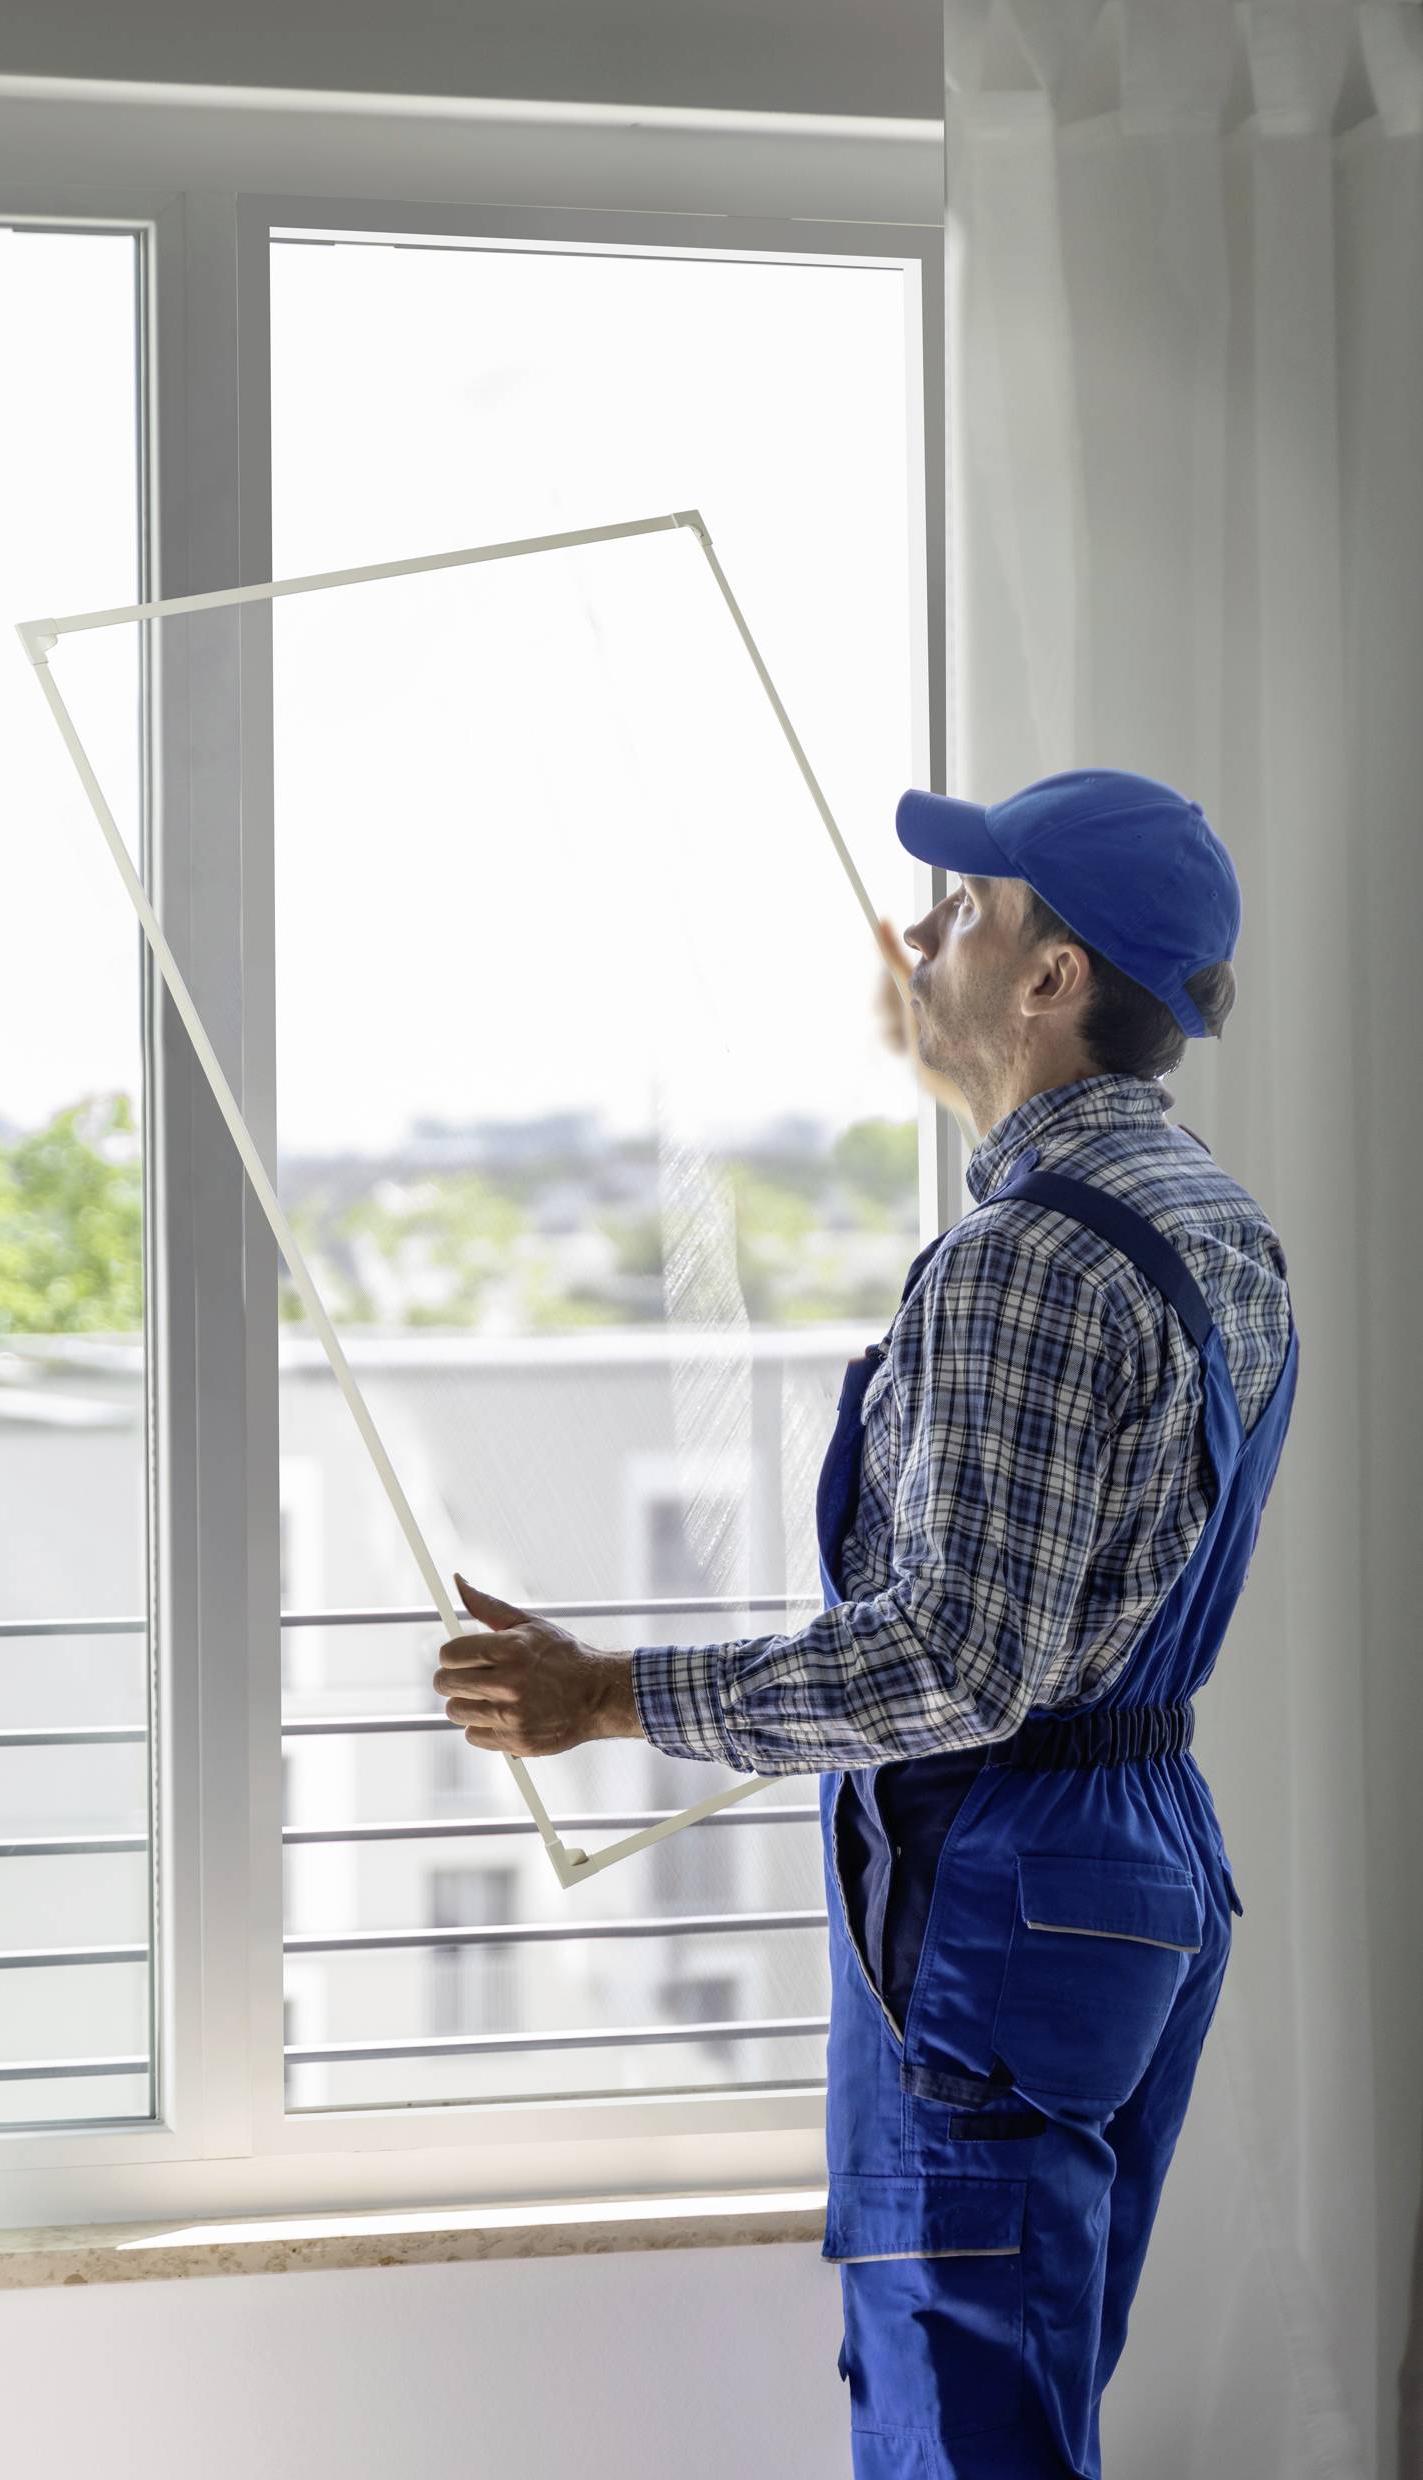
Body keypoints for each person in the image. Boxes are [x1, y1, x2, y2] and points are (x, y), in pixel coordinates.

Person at [434, 768, 1296, 2479]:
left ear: (1053, 980)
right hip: (1131, 1871)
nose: (924, 930)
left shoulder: (1020, 1263)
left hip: (994, 1878)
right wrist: (957, 1047)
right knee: (1025, 2403)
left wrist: (603, 1693)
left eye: (968, 912)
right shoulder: (1208, 1217)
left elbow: (954, 1660)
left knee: (959, 2425)